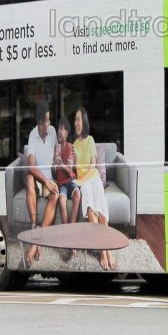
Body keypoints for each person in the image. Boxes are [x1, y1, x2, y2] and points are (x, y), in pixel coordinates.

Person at [72, 106, 115, 270]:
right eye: (75, 119)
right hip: (83, 181)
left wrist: (83, 179)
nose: (76, 123)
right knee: (89, 204)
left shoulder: (90, 140)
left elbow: (93, 164)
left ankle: (105, 250)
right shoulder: (73, 145)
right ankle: (105, 250)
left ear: (84, 122)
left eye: (79, 119)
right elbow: (74, 169)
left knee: (101, 202)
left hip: (92, 177)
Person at [23, 99, 59, 268]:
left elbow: (58, 153)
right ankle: (33, 225)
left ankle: (36, 241)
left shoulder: (53, 132)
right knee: (28, 177)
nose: (48, 124)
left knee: (55, 195)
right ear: (39, 123)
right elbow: (30, 165)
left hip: (50, 179)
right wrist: (45, 181)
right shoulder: (33, 135)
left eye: (49, 119)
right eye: (46, 121)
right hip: (39, 179)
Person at [53, 116, 81, 226]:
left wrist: (61, 165)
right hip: (61, 184)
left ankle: (72, 225)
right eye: (58, 129)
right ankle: (66, 227)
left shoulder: (69, 147)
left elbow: (70, 169)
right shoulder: (56, 149)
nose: (59, 131)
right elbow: (54, 172)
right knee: (61, 200)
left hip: (70, 180)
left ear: (67, 133)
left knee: (77, 195)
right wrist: (54, 163)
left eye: (62, 129)